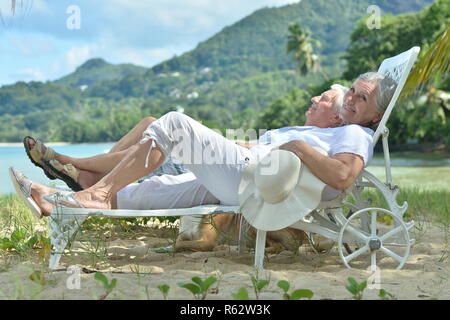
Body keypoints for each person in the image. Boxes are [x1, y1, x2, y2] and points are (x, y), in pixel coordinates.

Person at [15, 72, 397, 216]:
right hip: (247, 174)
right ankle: (54, 197)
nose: (350, 99)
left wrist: (297, 147)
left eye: (361, 99)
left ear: (374, 116)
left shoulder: (353, 133)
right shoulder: (333, 129)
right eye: (352, 91)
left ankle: (93, 190)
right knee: (152, 191)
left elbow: (344, 176)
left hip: (260, 183)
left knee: (174, 124)